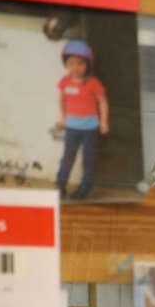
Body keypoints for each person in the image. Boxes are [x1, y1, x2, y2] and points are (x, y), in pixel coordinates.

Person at [55, 39, 108, 200]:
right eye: (71, 63)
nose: (76, 67)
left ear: (87, 65)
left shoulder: (93, 83)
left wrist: (104, 121)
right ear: (66, 64)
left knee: (88, 159)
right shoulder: (65, 82)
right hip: (72, 127)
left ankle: (85, 188)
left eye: (80, 63)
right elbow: (62, 100)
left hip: (90, 129)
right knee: (67, 157)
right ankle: (60, 186)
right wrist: (63, 118)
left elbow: (103, 102)